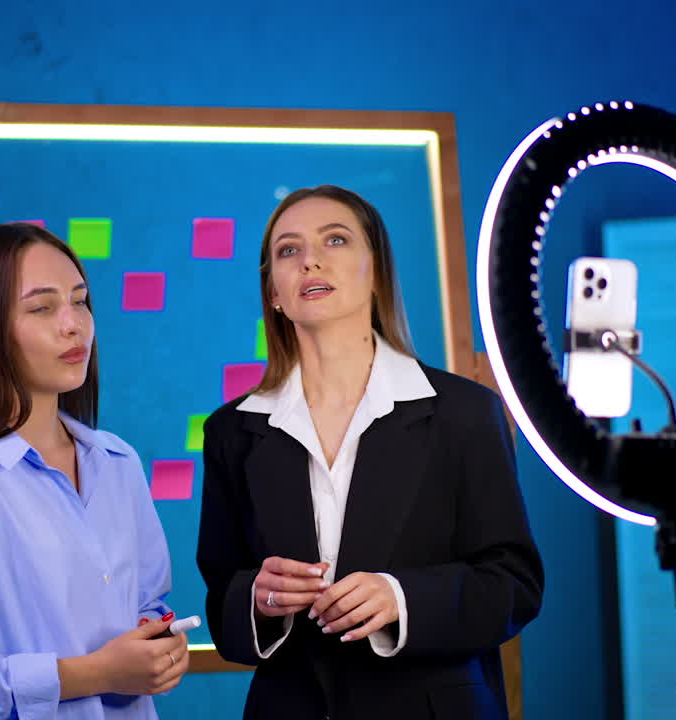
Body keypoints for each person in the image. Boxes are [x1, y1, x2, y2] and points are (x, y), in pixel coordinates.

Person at [196, 185, 544, 719]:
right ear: (274, 292)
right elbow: (223, 605)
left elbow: (514, 584)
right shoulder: (232, 432)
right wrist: (259, 601)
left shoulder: (465, 412)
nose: (310, 259)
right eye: (288, 250)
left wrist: (401, 599)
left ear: (377, 271)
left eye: (334, 240)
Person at [0, 222, 187, 719]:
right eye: (42, 307)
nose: (73, 325)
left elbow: (148, 603)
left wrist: (158, 646)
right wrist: (97, 673)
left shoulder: (118, 463)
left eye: (81, 301)